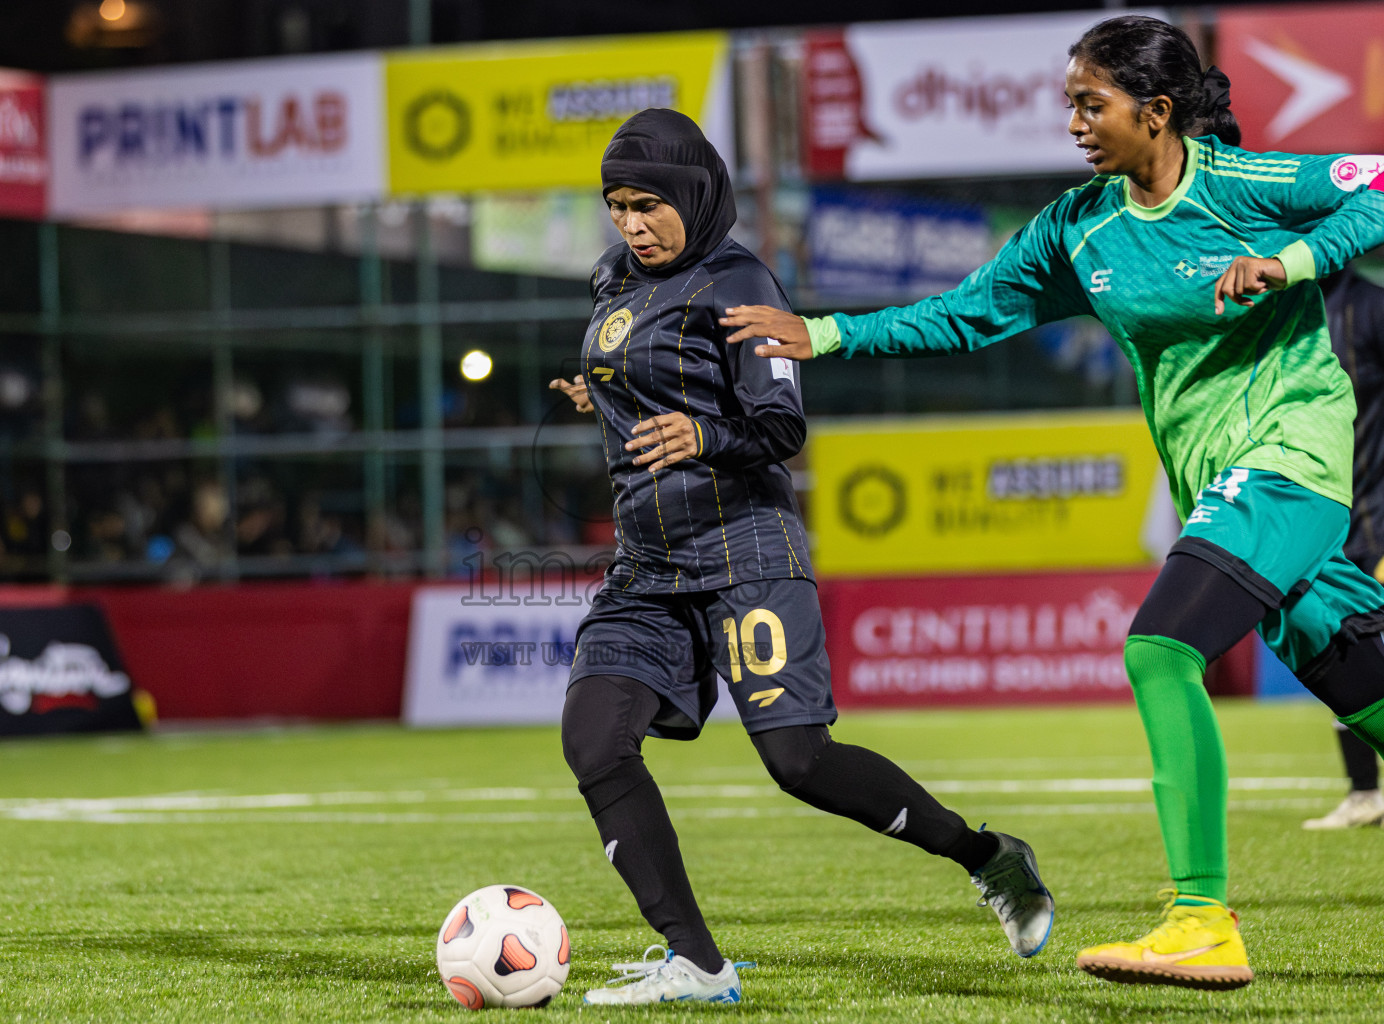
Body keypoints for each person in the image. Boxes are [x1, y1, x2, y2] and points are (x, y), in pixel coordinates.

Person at [722, 13, 1384, 992]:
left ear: (1156, 113)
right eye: (1068, 102)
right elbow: (964, 313)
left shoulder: (1244, 186)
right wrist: (826, 336)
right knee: (1361, 683)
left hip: (1293, 459)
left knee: (1161, 649)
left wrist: (1289, 264)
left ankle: (1201, 917)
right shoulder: (1080, 228)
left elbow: (1375, 186)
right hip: (1224, 482)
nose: (1072, 122)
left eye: (1091, 103)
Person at [547, 108, 1054, 1007]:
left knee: (799, 764)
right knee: (592, 737)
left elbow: (781, 425)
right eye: (617, 205)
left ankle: (988, 857)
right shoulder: (613, 278)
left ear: (693, 194)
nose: (632, 223)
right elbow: (645, 372)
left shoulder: (737, 278)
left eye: (648, 204)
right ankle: (698, 965)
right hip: (645, 566)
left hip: (743, 550)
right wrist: (603, 395)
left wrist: (704, 432)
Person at [1304, 267, 1384, 828]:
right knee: (1338, 643)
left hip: (1379, 514)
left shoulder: (1369, 308)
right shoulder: (1282, 310)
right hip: (1325, 518)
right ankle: (1364, 793)